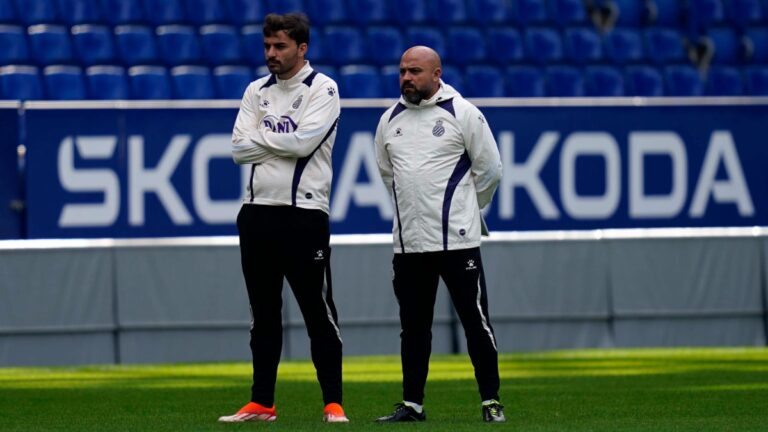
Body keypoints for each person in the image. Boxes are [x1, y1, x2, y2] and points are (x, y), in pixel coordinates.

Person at [218, 13, 348, 424]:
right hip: (256, 214)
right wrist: (279, 143)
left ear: (302, 48)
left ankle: (332, 402)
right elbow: (238, 150)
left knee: (316, 310)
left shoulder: (323, 88)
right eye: (267, 46)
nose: (271, 54)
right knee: (263, 314)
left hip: (304, 214)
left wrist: (263, 140)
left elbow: (305, 142)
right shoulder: (255, 90)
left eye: (280, 46)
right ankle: (262, 402)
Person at [373, 46, 505, 423]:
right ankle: (412, 404)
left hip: (457, 241)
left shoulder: (463, 113)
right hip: (409, 244)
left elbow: (491, 170)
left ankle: (491, 401)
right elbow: (389, 177)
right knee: (413, 329)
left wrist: (466, 209)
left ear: (436, 74)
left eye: (414, 71)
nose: (406, 78)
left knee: (475, 323)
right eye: (402, 71)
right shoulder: (388, 121)